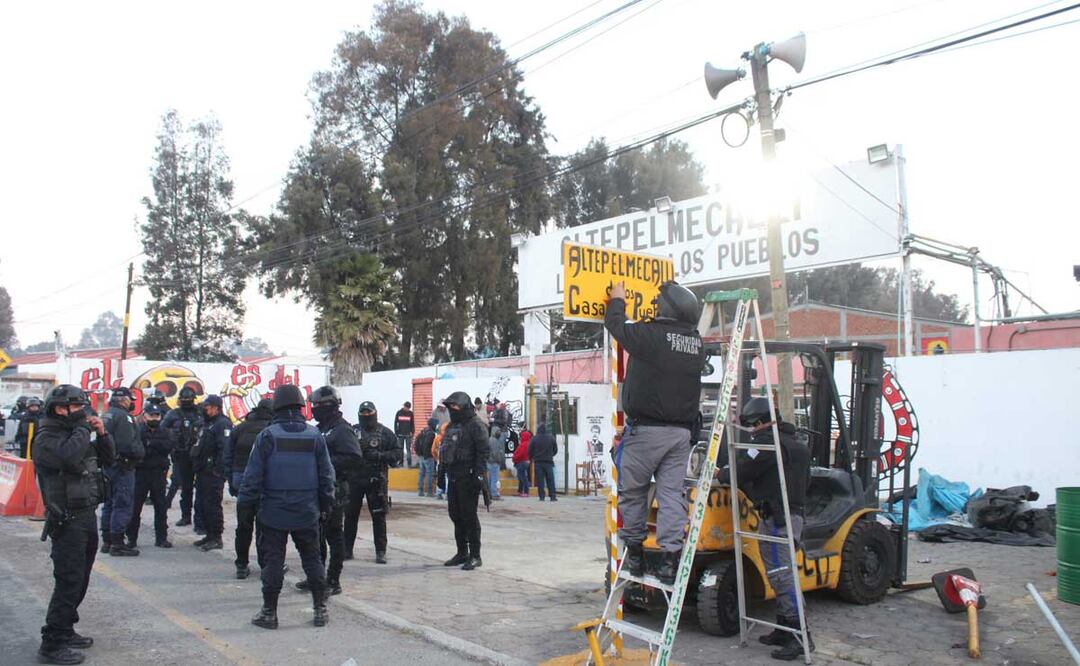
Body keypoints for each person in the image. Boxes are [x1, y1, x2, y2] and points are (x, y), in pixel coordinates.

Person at [604, 280, 704, 585]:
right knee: (671, 494)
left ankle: (635, 553)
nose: (655, 305)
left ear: (668, 309)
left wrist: (618, 299)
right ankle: (671, 559)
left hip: (646, 432)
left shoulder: (653, 336)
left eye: (659, 302)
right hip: (680, 436)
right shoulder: (696, 343)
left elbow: (616, 325)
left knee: (633, 493)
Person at [717, 398, 813, 660]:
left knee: (783, 575)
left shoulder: (767, 444)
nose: (751, 430)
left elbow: (741, 469)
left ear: (758, 422)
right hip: (792, 515)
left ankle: (799, 636)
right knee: (779, 572)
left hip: (778, 519)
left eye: (750, 425)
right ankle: (783, 626)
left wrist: (719, 473)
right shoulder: (796, 443)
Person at [238, 384, 334, 630]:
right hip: (307, 510)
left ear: (277, 406)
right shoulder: (314, 436)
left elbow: (252, 477)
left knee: (273, 561)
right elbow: (326, 476)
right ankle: (320, 610)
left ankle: (269, 613)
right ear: (301, 406)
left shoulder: (268, 436)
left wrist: (246, 504)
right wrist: (326, 504)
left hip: (273, 511)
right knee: (312, 560)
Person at [32, 385, 115, 665]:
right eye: (75, 408)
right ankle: (52, 642)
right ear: (59, 409)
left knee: (81, 577)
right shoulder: (47, 436)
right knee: (68, 581)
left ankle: (65, 629)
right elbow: (67, 457)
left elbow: (108, 459)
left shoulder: (75, 433)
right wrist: (83, 428)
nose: (80, 413)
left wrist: (101, 433)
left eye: (82, 407)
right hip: (66, 518)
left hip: (86, 513)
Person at [304, 386, 363, 595]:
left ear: (328, 406)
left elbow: (354, 457)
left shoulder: (341, 429)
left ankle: (333, 579)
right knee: (316, 534)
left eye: (317, 405)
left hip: (336, 490)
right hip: (318, 489)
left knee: (333, 535)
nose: (314, 409)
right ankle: (316, 576)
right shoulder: (320, 428)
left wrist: (324, 462)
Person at [436, 392, 489, 571]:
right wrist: (441, 473)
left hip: (469, 477)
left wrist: (479, 475)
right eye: (450, 408)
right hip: (453, 476)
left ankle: (475, 555)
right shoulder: (452, 425)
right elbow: (445, 450)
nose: (453, 410)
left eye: (456, 407)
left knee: (469, 517)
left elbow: (483, 451)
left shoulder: (476, 425)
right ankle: (462, 552)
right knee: (455, 514)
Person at [224, 397, 273, 579]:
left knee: (243, 527)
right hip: (264, 486)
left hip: (242, 483)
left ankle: (242, 565)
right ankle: (265, 564)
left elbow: (227, 457)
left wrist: (230, 481)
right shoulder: (271, 430)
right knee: (263, 528)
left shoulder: (239, 428)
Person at [345, 401, 399, 563]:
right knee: (350, 516)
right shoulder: (352, 431)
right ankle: (347, 550)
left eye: (369, 414)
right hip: (354, 480)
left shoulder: (385, 433)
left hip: (376, 481)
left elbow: (397, 454)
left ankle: (380, 551)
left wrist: (380, 456)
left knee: (378, 517)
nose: (367, 417)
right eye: (364, 414)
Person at [99, 387, 144, 557]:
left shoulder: (108, 414)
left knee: (109, 503)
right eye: (130, 400)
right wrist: (139, 453)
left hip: (109, 465)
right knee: (122, 503)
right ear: (123, 399)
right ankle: (117, 542)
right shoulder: (124, 417)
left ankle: (107, 540)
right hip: (122, 466)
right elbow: (127, 444)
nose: (132, 403)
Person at [126, 404, 174, 549]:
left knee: (160, 507)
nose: (155, 418)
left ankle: (161, 538)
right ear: (145, 416)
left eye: (157, 415)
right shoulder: (138, 431)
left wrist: (151, 444)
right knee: (135, 508)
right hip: (141, 472)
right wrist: (152, 446)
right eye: (151, 415)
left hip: (158, 473)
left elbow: (168, 447)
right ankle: (131, 539)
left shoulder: (165, 431)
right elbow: (137, 450)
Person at [190, 394, 230, 552]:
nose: (204, 409)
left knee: (213, 505)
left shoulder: (222, 424)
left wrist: (218, 470)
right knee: (203, 504)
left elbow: (224, 449)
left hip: (213, 473)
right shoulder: (207, 424)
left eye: (207, 407)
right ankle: (208, 534)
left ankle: (216, 537)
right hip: (202, 471)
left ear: (216, 408)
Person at [163, 387, 202, 530]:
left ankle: (199, 520)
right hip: (181, 454)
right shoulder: (173, 414)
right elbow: (163, 430)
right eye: (184, 400)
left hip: (198, 455)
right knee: (184, 487)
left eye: (189, 400)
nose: (186, 402)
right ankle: (186, 516)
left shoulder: (200, 413)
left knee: (201, 489)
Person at [529, 424, 558, 501]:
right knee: (550, 480)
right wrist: (551, 455)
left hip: (538, 462)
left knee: (540, 480)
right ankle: (553, 496)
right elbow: (555, 450)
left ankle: (542, 496)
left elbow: (530, 450)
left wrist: (532, 458)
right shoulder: (551, 438)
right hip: (549, 462)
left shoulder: (534, 439)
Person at [414, 418, 439, 497]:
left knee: (421, 474)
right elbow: (427, 445)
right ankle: (429, 492)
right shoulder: (431, 434)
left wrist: (419, 453)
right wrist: (431, 455)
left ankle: (420, 491)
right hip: (428, 457)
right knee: (429, 474)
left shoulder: (423, 431)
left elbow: (416, 442)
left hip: (422, 456)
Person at [393, 401, 415, 468]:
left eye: (407, 408)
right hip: (400, 434)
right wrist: (396, 432)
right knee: (400, 449)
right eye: (406, 407)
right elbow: (395, 423)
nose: (406, 409)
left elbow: (412, 424)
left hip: (408, 435)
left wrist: (412, 432)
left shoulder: (411, 413)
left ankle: (409, 463)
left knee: (408, 449)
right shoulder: (399, 413)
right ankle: (401, 463)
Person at [512, 427, 531, 497]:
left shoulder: (524, 445)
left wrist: (514, 458)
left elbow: (520, 454)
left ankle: (525, 492)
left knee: (522, 477)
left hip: (521, 462)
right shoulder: (528, 444)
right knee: (521, 477)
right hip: (525, 462)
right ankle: (520, 491)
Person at [486, 426, 504, 501]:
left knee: (490, 479)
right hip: (494, 462)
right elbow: (497, 453)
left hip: (489, 462)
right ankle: (494, 494)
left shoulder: (489, 440)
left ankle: (490, 493)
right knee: (494, 479)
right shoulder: (496, 441)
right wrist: (500, 460)